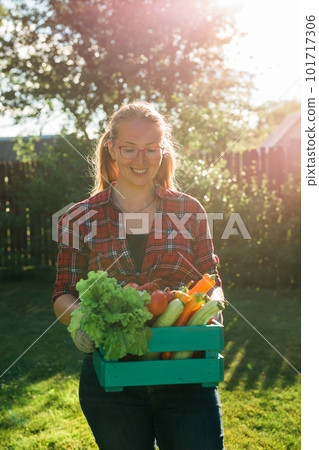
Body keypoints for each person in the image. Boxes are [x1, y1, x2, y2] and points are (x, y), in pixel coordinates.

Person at [53, 101, 224, 450]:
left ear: (163, 152)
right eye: (130, 149)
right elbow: (64, 292)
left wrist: (208, 314)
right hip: (113, 381)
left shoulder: (188, 209)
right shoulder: (79, 217)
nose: (140, 160)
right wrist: (81, 322)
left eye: (150, 150)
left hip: (185, 376)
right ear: (113, 149)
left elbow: (212, 282)